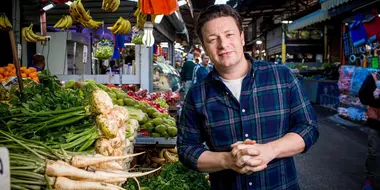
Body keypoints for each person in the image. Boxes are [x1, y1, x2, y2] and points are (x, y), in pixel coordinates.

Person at [177, 4, 319, 190]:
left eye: (229, 35)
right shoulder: (197, 94)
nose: (223, 44)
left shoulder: (281, 77)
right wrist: (227, 160)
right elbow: (187, 148)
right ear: (204, 47)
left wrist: (270, 150)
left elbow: (308, 127)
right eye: (212, 39)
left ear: (242, 37)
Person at [359, 71, 380, 190]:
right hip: (375, 123)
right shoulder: (372, 78)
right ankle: (369, 178)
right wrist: (375, 99)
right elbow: (362, 96)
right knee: (373, 152)